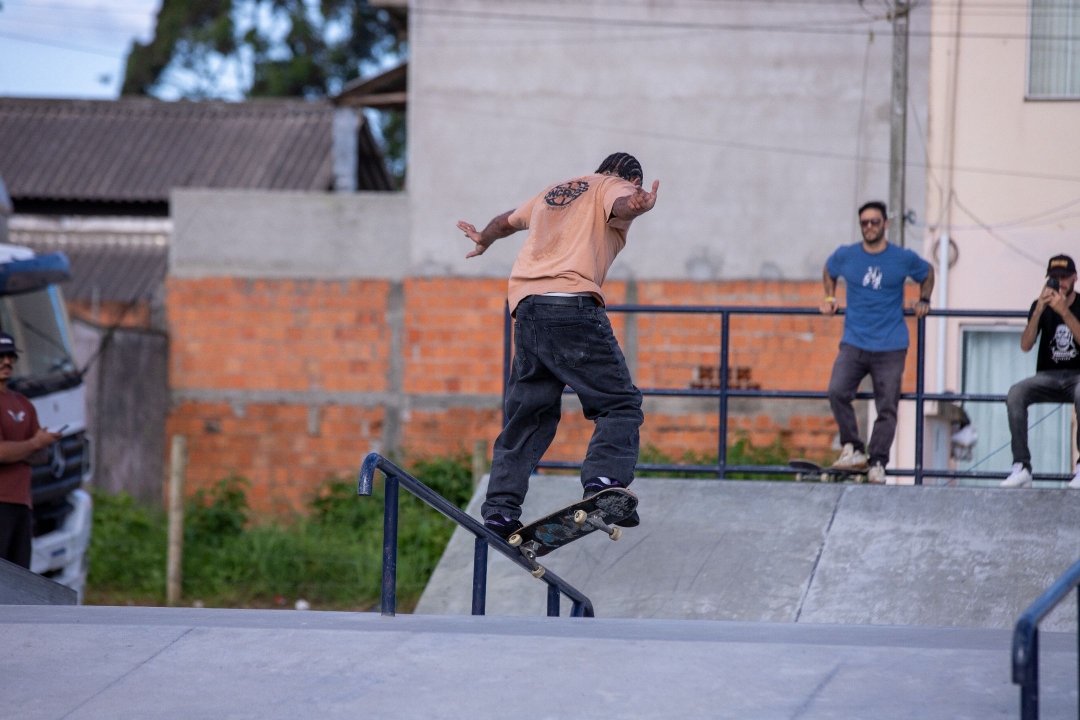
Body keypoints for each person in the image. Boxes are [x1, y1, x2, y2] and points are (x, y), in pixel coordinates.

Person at [456, 153, 658, 537]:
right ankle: (603, 482)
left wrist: (483, 238)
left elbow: (504, 222)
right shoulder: (613, 187)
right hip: (572, 309)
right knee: (619, 403)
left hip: (527, 310)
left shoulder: (554, 192)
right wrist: (634, 203)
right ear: (632, 179)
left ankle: (499, 510)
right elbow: (620, 204)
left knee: (527, 416)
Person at [820, 201, 934, 484]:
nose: (869, 227)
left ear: (885, 224)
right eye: (864, 223)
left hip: (891, 345)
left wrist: (924, 300)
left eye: (874, 221)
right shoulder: (847, 255)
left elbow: (927, 272)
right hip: (854, 342)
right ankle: (854, 449)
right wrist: (830, 298)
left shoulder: (901, 257)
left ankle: (878, 463)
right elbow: (829, 269)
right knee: (837, 391)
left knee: (887, 406)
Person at [1001, 254, 1080, 489]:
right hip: (1047, 376)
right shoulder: (1040, 306)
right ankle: (1021, 467)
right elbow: (1026, 345)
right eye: (1054, 278)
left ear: (1075, 278)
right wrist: (1038, 310)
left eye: (1064, 278)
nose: (1060, 283)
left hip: (1077, 376)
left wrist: (1064, 312)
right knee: (1015, 393)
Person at [0, 332, 61, 568]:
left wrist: (27, 448)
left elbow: (42, 454)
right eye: (1, 356)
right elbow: (2, 453)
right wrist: (33, 444)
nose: (7, 362)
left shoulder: (24, 403)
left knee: (19, 575)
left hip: (23, 503)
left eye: (11, 356)